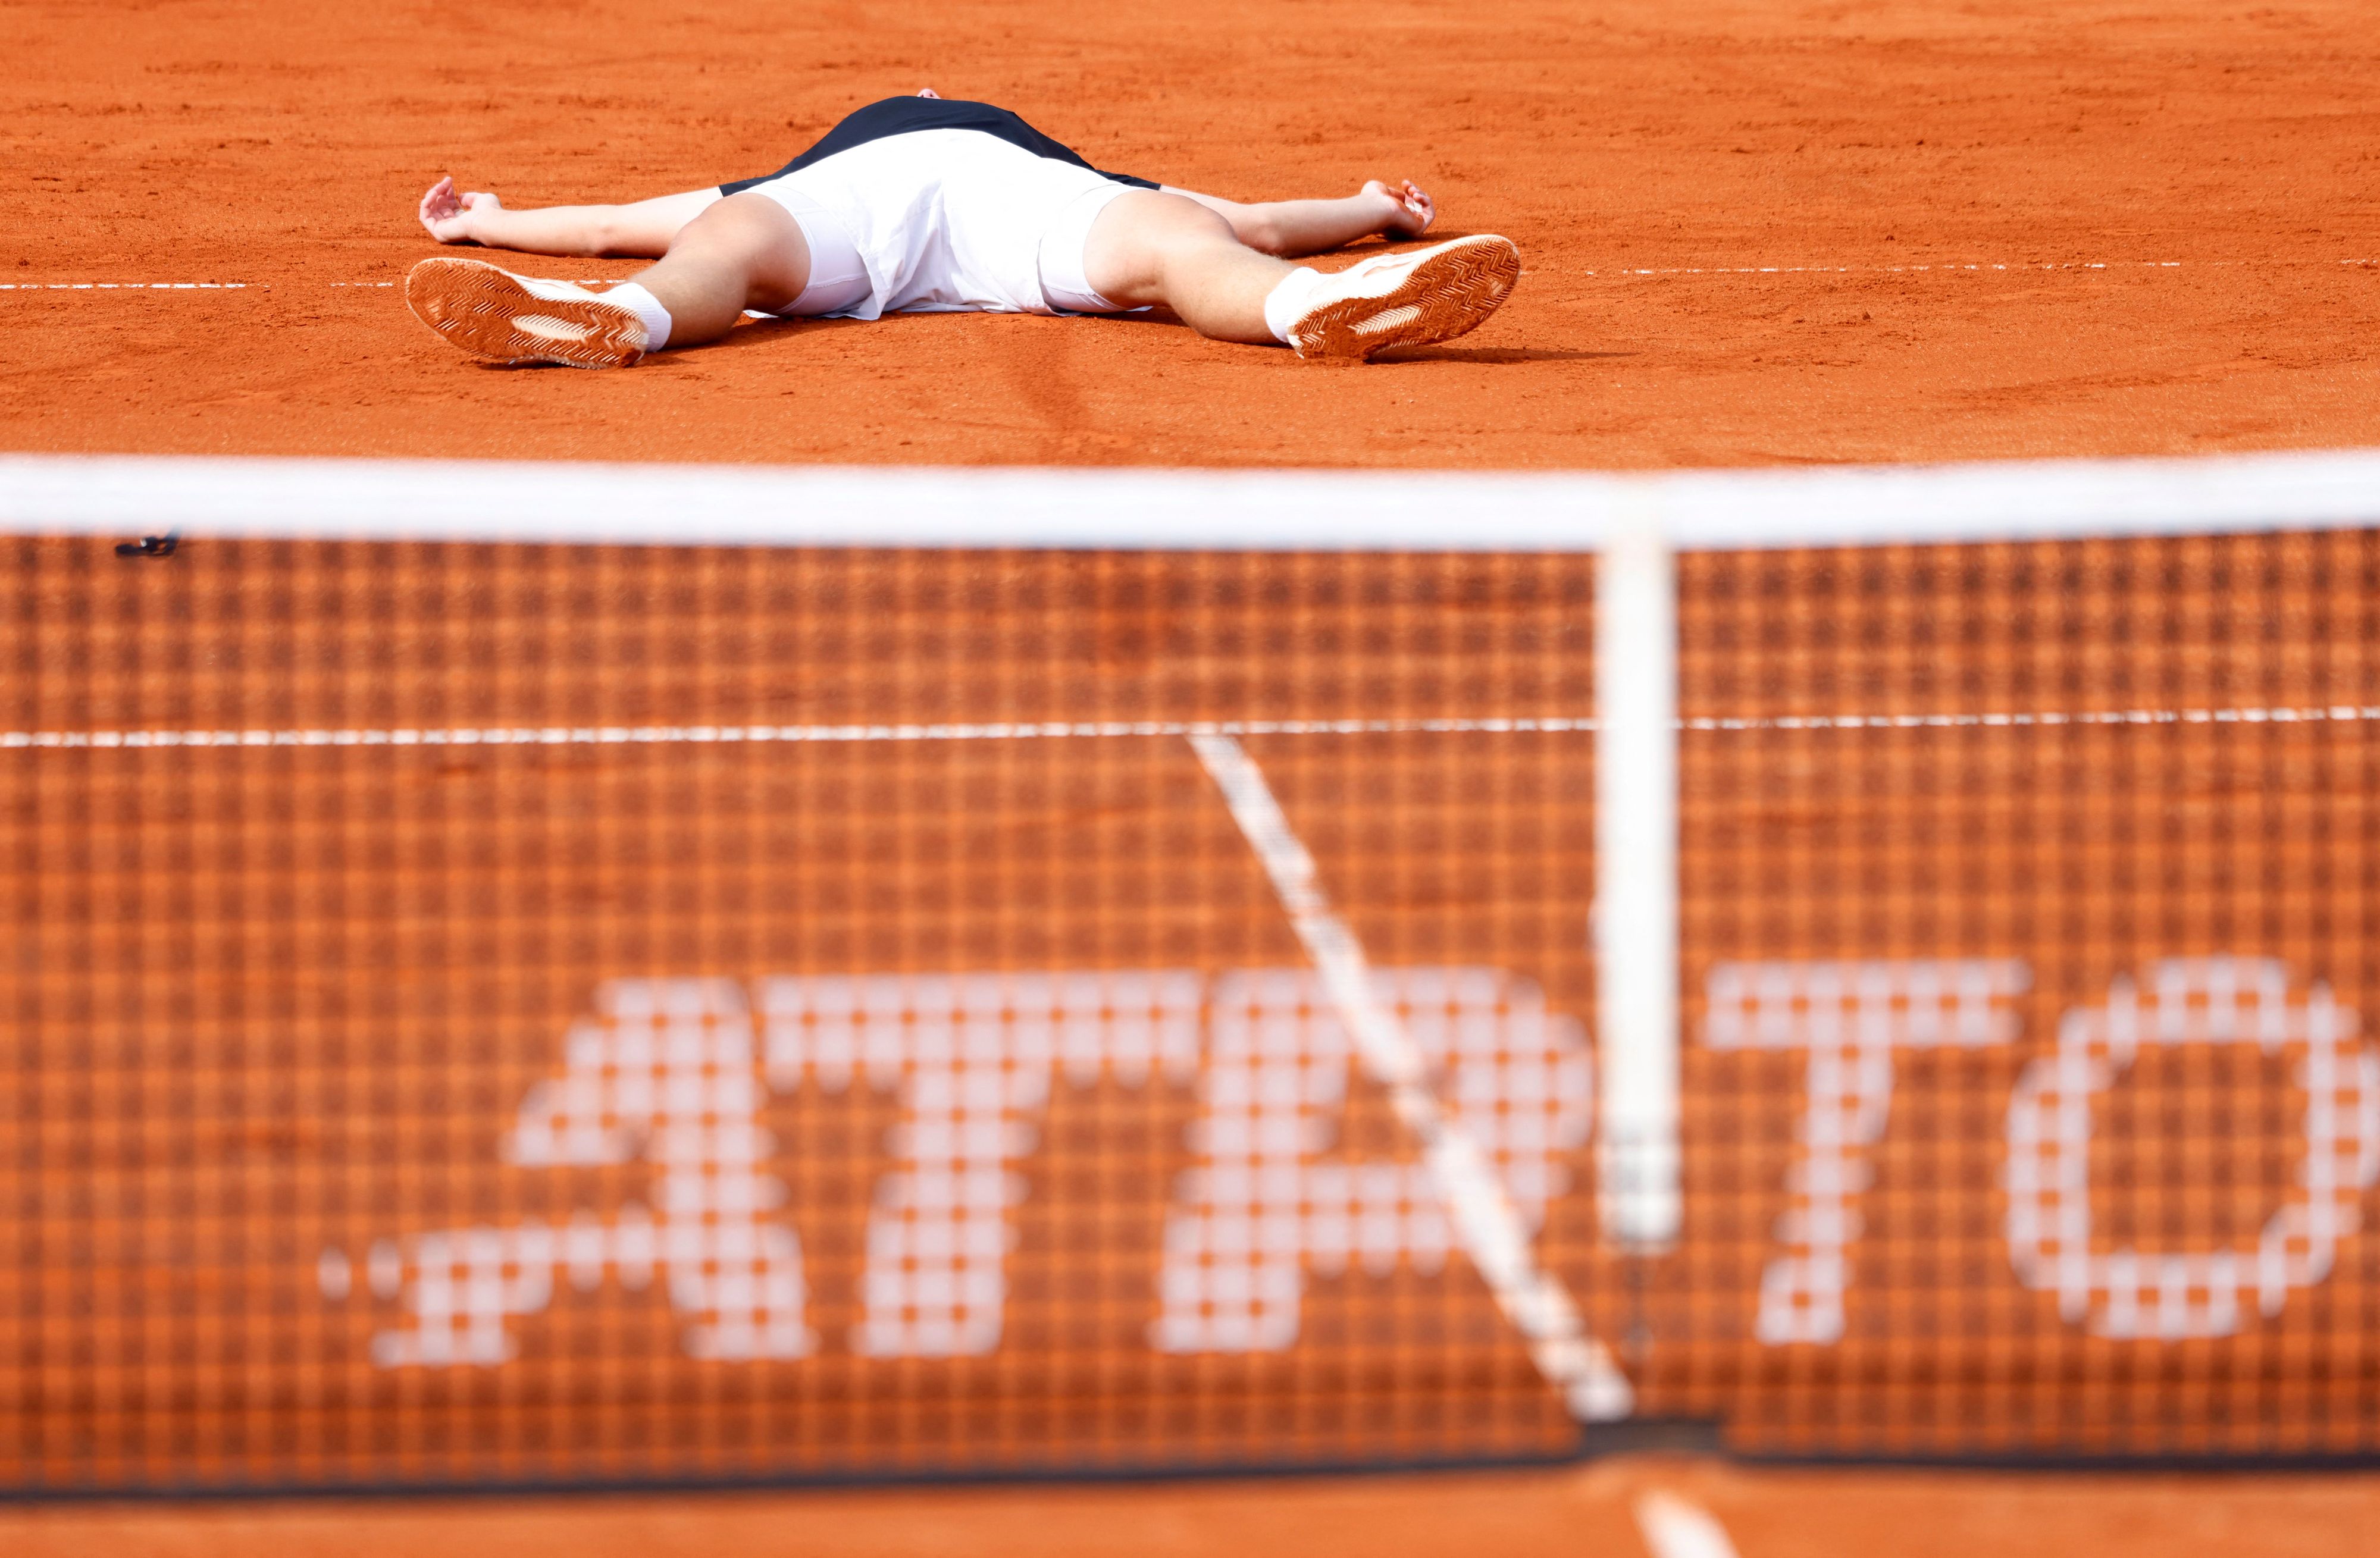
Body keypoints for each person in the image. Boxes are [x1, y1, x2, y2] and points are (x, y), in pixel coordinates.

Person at [405, 92, 1520, 369]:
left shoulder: (811, 165)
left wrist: (491, 224)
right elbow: (1259, 222)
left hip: (850, 204)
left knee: (719, 246)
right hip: (1021, 202)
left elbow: (613, 224)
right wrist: (1372, 208)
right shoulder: (1049, 154)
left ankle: (620, 320)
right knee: (1185, 240)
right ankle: (1316, 305)